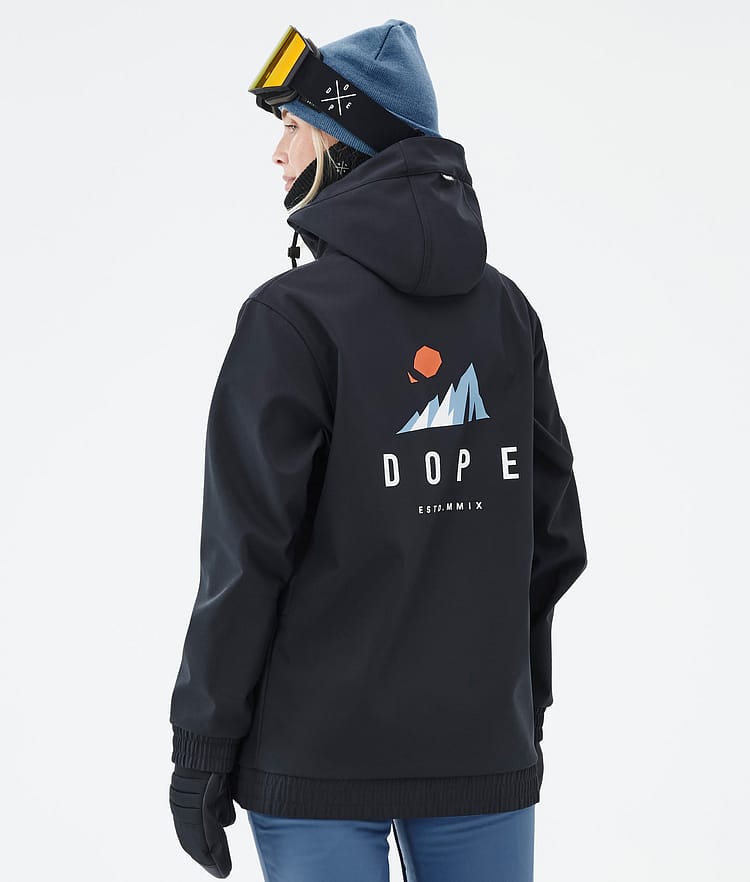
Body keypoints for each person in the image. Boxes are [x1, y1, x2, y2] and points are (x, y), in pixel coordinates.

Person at [168, 19, 587, 882]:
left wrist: (201, 751)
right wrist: (518, 708)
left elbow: (245, 559)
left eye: (293, 126)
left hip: (314, 761)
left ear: (342, 138)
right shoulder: (507, 313)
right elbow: (553, 540)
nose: (277, 153)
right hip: (481, 748)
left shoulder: (289, 319)